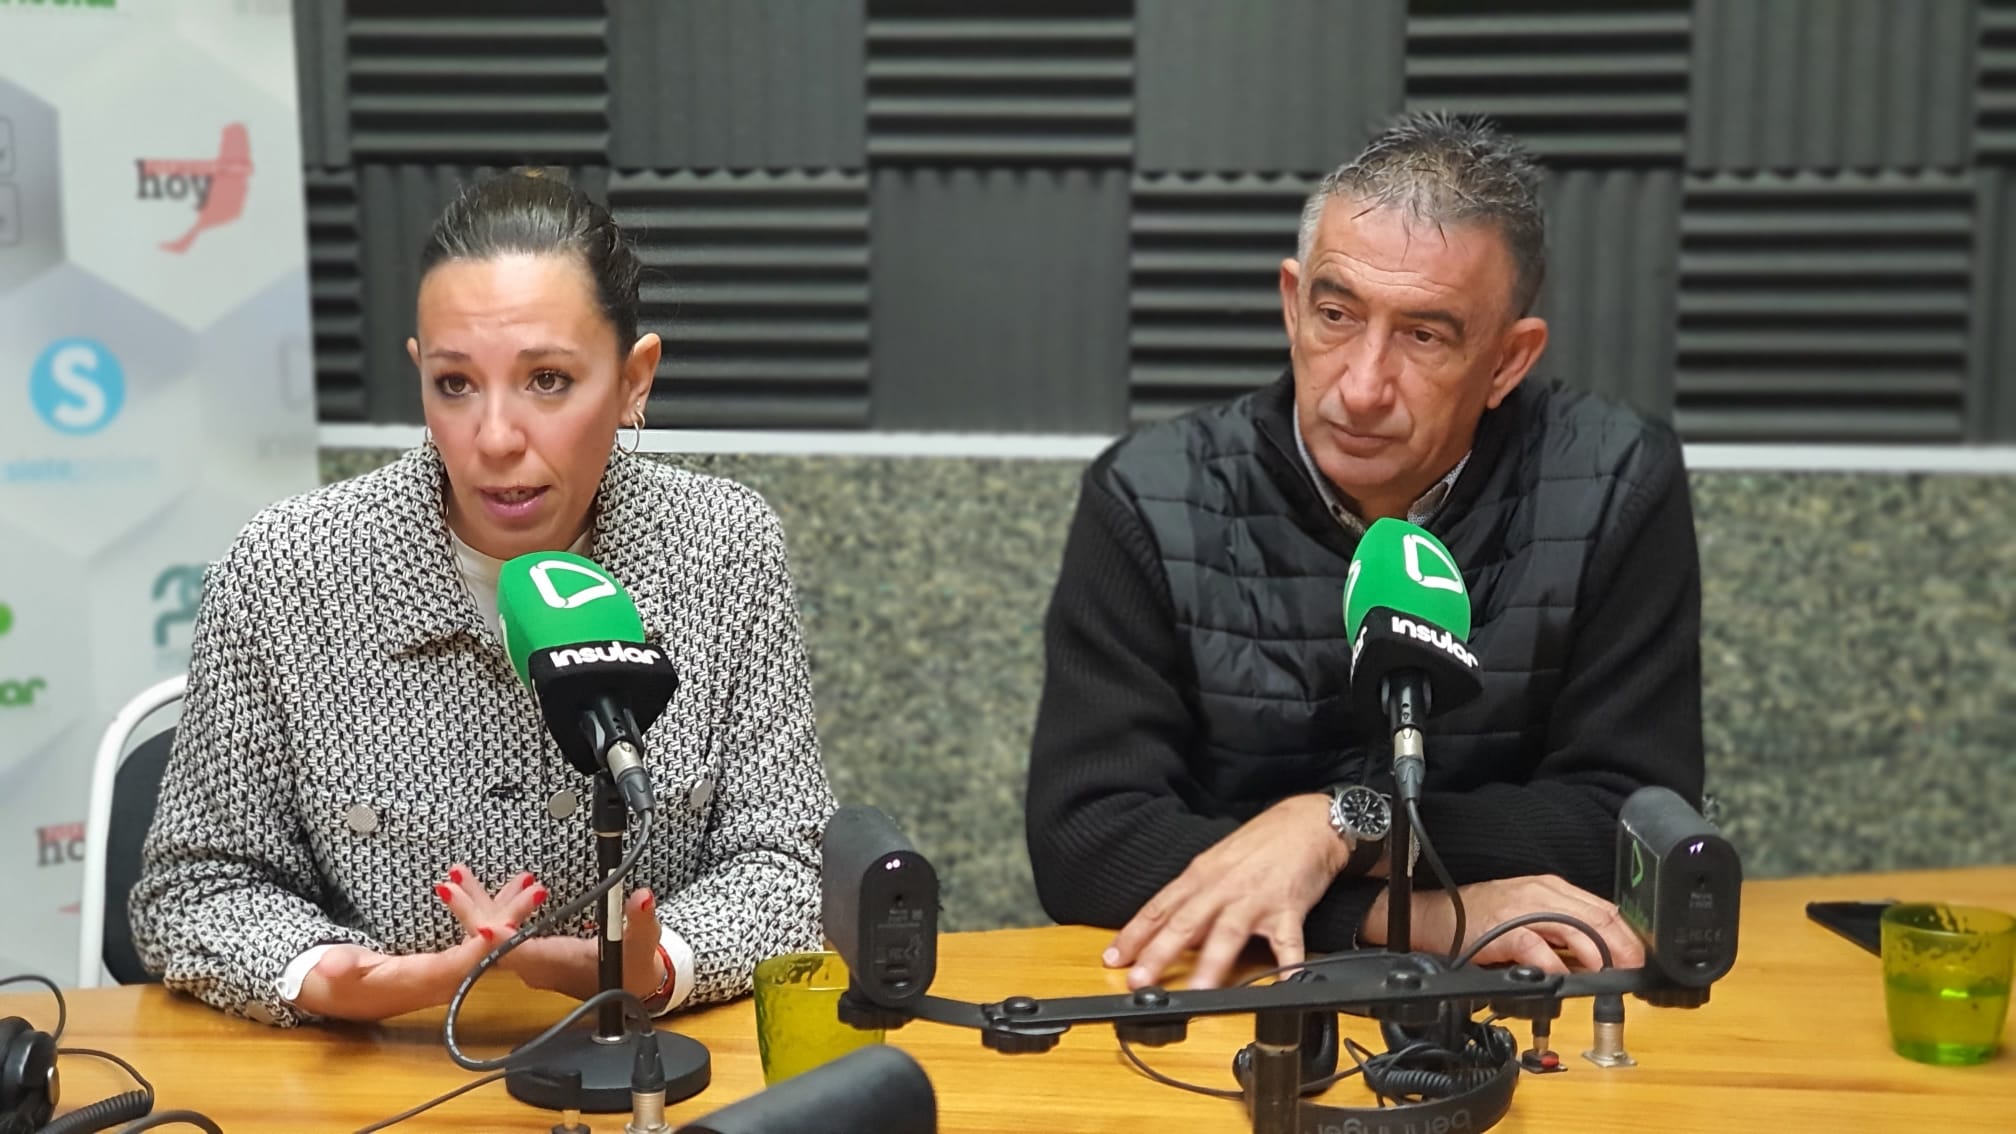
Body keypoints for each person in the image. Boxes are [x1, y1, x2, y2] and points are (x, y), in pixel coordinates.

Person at [130, 170, 836, 1027]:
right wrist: (319, 973)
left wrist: (668, 961)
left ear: (633, 380)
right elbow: (192, 888)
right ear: (419, 374)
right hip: (383, 1071)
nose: (495, 438)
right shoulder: (288, 570)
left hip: (653, 1064)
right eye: (456, 385)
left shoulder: (723, 549)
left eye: (547, 380)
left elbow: (790, 861)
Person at [1024, 112, 1703, 992]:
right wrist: (1409, 919)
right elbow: (1086, 842)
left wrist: (1341, 825)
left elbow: (1633, 819)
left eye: (1425, 335)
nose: (1363, 385)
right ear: (1291, 303)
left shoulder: (1615, 482)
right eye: (1337, 314)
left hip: (1523, 1011)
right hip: (1227, 997)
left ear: (1507, 360)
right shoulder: (1149, 497)